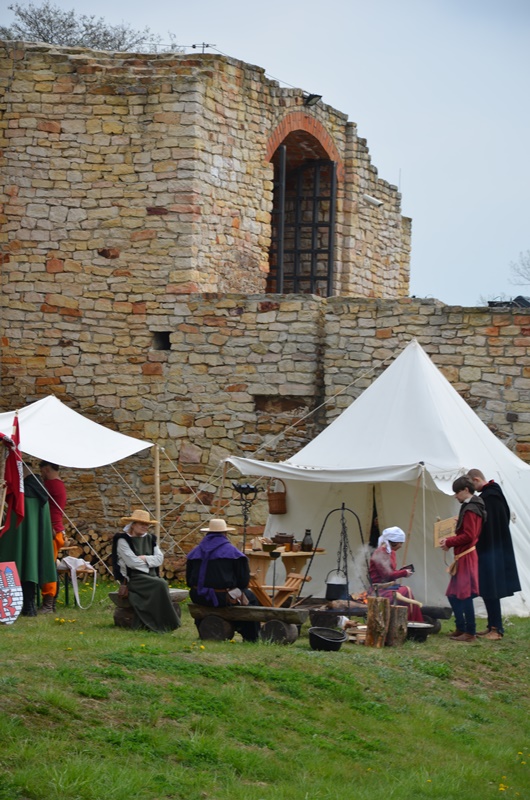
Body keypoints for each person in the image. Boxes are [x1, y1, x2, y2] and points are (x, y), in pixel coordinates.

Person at [467, 469, 521, 640]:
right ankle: (492, 625)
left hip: (493, 548)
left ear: (476, 479)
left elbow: (489, 525)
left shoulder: (490, 497)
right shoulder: (491, 495)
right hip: (490, 547)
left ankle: (497, 629)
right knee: (487, 587)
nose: (472, 489)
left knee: (492, 588)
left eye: (472, 484)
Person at [186, 518, 260, 642]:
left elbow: (189, 581)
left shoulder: (195, 552)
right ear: (225, 534)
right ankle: (251, 636)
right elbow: (243, 582)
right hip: (223, 597)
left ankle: (204, 628)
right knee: (250, 597)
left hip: (198, 596)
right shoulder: (233, 553)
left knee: (243, 595)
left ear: (208, 533)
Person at [111, 509, 180, 633]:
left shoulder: (151, 539)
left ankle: (164, 623)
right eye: (141, 524)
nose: (145, 527)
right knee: (161, 584)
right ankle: (166, 623)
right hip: (134, 579)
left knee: (160, 584)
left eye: (147, 524)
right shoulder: (122, 540)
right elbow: (132, 563)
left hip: (151, 577)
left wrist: (144, 558)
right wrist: (150, 563)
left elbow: (160, 559)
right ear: (133, 525)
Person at [0, 470, 56, 617]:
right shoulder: (42, 493)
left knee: (20, 564)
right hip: (36, 542)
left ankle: (25, 606)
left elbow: (14, 522)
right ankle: (29, 606)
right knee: (31, 565)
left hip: (20, 539)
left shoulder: (23, 497)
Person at [440, 476, 486, 643]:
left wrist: (449, 541)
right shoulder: (470, 507)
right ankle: (461, 627)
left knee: (464, 595)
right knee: (453, 594)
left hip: (466, 556)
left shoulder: (471, 509)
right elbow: (468, 531)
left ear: (466, 490)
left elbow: (470, 535)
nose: (455, 496)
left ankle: (470, 632)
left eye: (457, 492)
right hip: (463, 556)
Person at [368, 526, 423, 623]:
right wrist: (403, 573)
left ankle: (409, 621)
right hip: (379, 589)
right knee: (406, 590)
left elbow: (391, 572)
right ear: (394, 542)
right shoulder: (380, 553)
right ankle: (411, 621)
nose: (401, 546)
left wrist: (402, 571)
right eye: (400, 543)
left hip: (389, 586)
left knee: (406, 590)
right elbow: (387, 575)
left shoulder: (391, 552)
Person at [39, 461, 67, 613]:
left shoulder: (51, 485)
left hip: (52, 531)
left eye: (42, 471)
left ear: (46, 469)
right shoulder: (58, 484)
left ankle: (48, 604)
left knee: (48, 566)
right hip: (56, 530)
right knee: (51, 567)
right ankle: (51, 603)